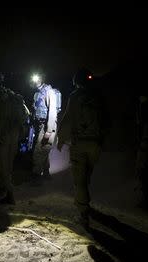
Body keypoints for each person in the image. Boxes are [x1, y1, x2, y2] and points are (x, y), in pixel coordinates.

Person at [57, 68, 107, 228]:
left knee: (79, 181)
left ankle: (83, 214)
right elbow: (107, 121)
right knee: (86, 176)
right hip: (95, 145)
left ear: (76, 82)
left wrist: (61, 139)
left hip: (80, 144)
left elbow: (67, 119)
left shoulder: (75, 97)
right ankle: (85, 203)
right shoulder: (98, 97)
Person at [0, 74, 30, 204]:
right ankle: (4, 188)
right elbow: (26, 115)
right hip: (14, 138)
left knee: (3, 167)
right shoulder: (16, 99)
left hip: (3, 139)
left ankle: (9, 195)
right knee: (9, 166)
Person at [30, 74, 61, 183]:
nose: (35, 81)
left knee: (39, 151)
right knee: (43, 149)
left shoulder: (49, 92)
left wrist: (49, 131)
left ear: (42, 79)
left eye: (37, 79)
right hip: (40, 126)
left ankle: (37, 177)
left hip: (48, 126)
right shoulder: (37, 93)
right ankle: (46, 173)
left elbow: (52, 112)